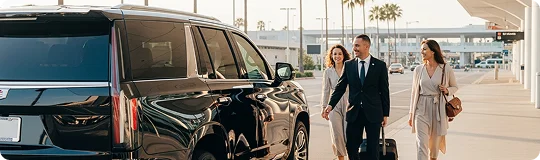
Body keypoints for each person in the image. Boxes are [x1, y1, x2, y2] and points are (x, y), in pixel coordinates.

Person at [322, 34, 390, 160]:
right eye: (354, 45)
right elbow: (340, 87)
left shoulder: (380, 65)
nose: (354, 48)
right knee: (352, 146)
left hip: (374, 113)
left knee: (372, 147)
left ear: (367, 46)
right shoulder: (349, 65)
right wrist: (330, 105)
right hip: (354, 113)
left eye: (357, 45)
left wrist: (385, 114)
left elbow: (384, 91)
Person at [408, 40, 458, 160]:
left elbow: (455, 87)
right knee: (421, 144)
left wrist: (447, 90)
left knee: (434, 147)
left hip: (438, 109)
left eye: (425, 49)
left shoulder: (446, 68)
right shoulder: (418, 69)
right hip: (421, 109)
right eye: (421, 49)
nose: (422, 51)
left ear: (433, 51)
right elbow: (414, 92)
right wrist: (411, 114)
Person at [320, 44, 352, 160]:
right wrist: (324, 107)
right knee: (337, 135)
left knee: (349, 133)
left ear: (344, 55)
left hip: (349, 103)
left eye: (339, 54)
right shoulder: (328, 72)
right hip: (333, 105)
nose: (337, 56)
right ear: (331, 56)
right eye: (334, 54)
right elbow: (326, 90)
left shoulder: (350, 68)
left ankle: (351, 156)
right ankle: (341, 158)